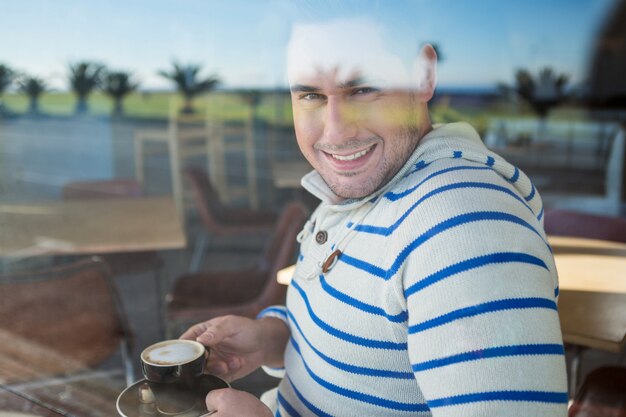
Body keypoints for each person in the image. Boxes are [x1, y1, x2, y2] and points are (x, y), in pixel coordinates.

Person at [181, 17, 568, 416]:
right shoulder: (370, 185)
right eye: (311, 95)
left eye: (363, 89)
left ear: (423, 77)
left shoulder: (464, 225)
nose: (335, 133)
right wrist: (273, 337)